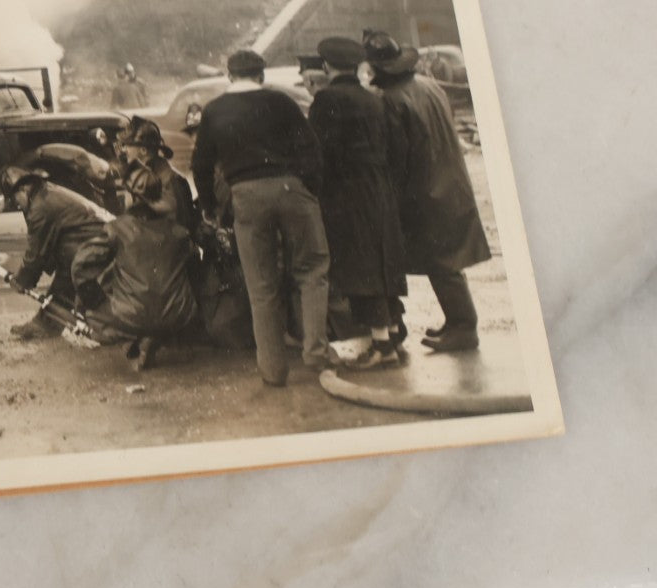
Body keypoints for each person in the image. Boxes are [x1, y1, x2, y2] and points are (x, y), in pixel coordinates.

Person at [190, 49, 334, 385]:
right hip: (290, 188)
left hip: (245, 196)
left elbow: (200, 165)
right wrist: (309, 188)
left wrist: (211, 208)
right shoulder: (281, 103)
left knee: (261, 284)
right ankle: (316, 352)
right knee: (312, 269)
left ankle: (272, 370)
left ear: (229, 76)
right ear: (262, 75)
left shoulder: (214, 110)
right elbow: (311, 149)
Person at [365, 31, 491, 351]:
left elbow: (397, 156)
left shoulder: (392, 100)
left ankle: (464, 327)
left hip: (425, 192)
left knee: (442, 263)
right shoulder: (428, 85)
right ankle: (459, 322)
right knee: (448, 261)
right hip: (450, 184)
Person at [308, 36, 408, 368]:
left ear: (326, 66)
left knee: (361, 263)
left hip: (347, 191)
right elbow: (396, 148)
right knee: (384, 256)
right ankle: (393, 331)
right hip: (380, 186)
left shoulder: (325, 100)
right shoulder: (374, 99)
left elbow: (318, 153)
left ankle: (382, 347)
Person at [71, 173, 199, 370]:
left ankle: (133, 337)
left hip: (131, 315)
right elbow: (192, 266)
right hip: (178, 314)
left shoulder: (117, 228)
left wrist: (94, 298)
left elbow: (80, 264)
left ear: (131, 197)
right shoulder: (179, 232)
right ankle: (156, 336)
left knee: (93, 309)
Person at [0, 166, 107, 340]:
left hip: (97, 242)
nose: (15, 204)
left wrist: (22, 280)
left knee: (70, 266)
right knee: (66, 266)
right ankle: (45, 324)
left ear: (24, 189)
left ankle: (47, 325)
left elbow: (35, 255)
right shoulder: (45, 192)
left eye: (14, 197)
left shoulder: (39, 208)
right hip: (99, 238)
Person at [115, 115, 198, 236]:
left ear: (143, 150)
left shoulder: (169, 178)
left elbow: (178, 224)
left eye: (128, 145)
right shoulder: (145, 173)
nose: (124, 150)